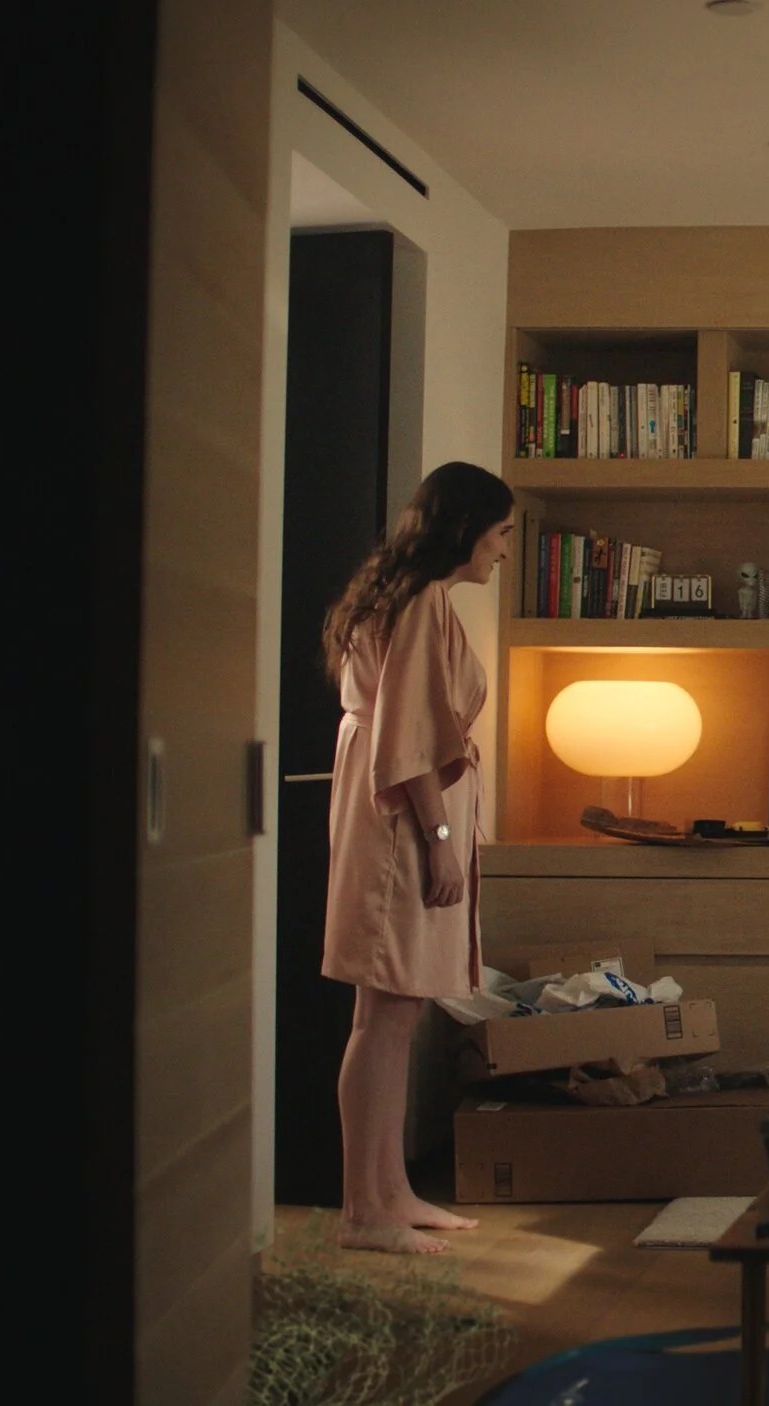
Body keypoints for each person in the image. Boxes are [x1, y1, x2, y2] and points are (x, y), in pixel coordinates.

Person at [320, 461, 514, 1253]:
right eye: (500, 534)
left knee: (390, 1016)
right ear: (465, 529)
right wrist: (439, 842)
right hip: (402, 825)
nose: (503, 552)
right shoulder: (423, 602)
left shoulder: (404, 597)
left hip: (394, 816)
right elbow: (407, 748)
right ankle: (365, 1210)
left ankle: (389, 1191)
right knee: (386, 1014)